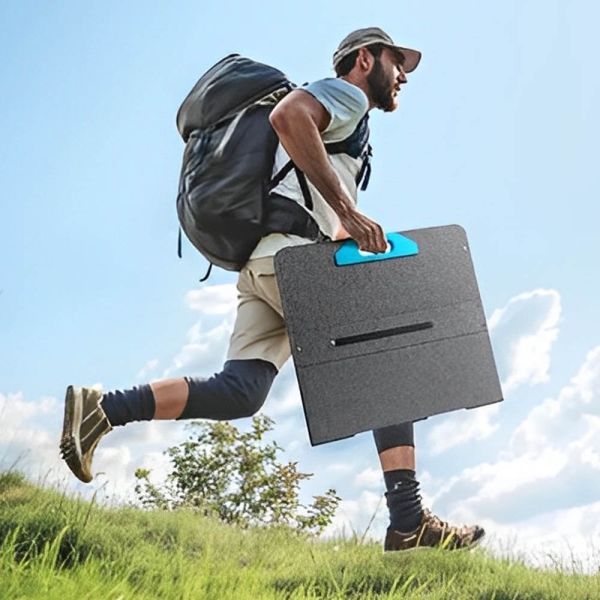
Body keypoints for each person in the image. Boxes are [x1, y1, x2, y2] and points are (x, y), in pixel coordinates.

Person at [60, 27, 485, 552]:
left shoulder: (346, 125)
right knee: (383, 364)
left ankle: (104, 408)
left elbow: (306, 190)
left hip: (266, 264)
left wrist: (346, 225)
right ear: (364, 60)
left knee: (241, 391)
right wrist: (350, 212)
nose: (403, 76)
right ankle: (408, 518)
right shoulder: (345, 95)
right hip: (292, 263)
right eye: (396, 62)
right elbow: (288, 116)